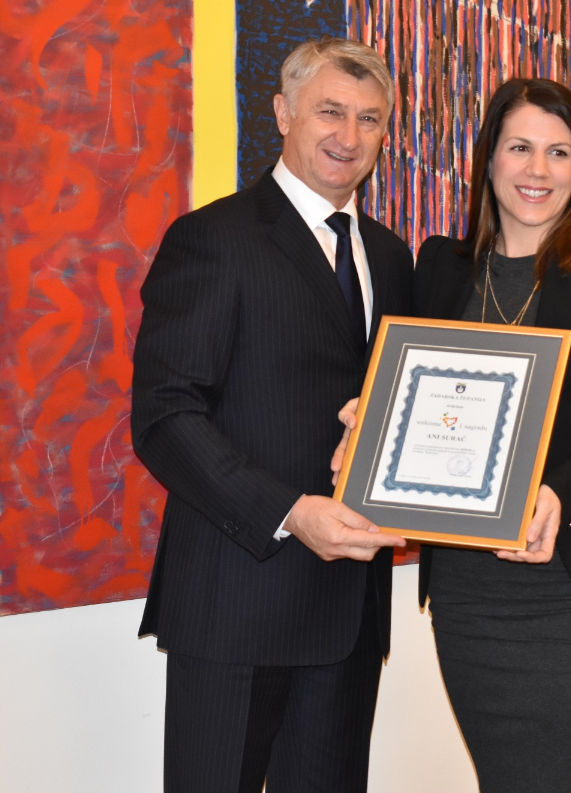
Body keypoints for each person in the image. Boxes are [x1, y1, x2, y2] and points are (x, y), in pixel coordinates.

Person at [338, 77, 571, 792]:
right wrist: (369, 419)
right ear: (489, 159)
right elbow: (406, 394)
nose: (537, 169)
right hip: (468, 594)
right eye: (519, 148)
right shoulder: (440, 267)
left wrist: (557, 495)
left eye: (558, 152)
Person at [130, 38, 412, 793]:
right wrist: (289, 511)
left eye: (370, 119)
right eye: (330, 111)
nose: (348, 136)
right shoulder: (213, 239)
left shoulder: (390, 257)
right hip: (237, 604)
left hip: (350, 615)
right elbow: (164, 415)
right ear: (283, 113)